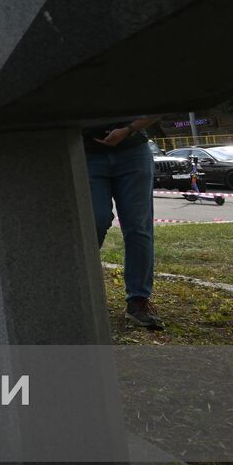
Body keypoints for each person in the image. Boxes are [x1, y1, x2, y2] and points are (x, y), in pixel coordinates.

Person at [85, 117, 164, 330]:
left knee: (138, 228)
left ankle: (138, 302)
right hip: (86, 154)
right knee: (94, 221)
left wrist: (129, 129)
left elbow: (159, 103)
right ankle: (82, 292)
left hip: (133, 151)